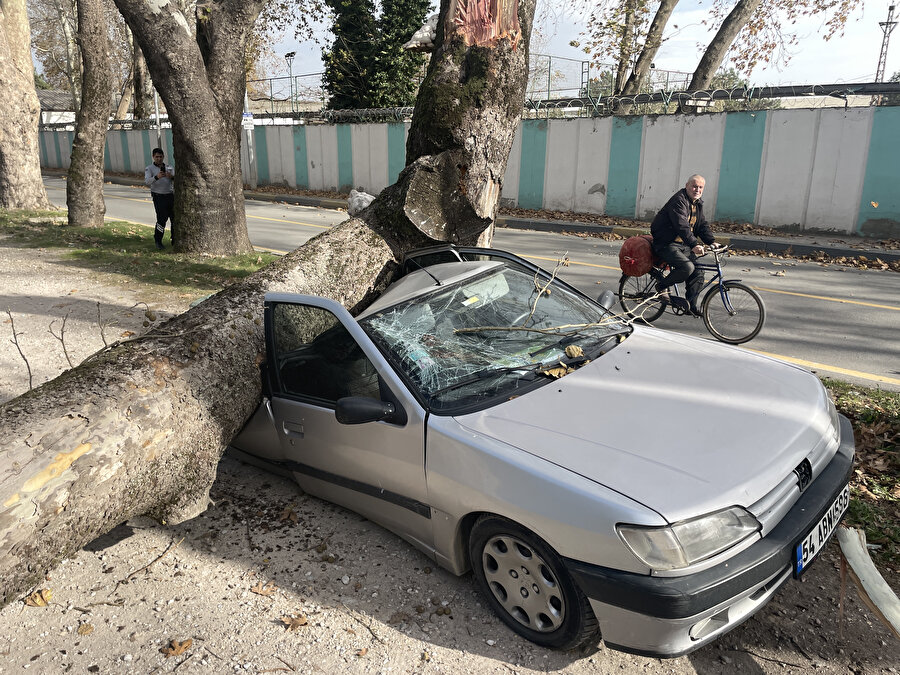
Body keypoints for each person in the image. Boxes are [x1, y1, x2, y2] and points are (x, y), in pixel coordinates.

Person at [650, 174, 716, 316]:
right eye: (694, 186)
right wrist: (693, 244)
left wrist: (712, 241)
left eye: (700, 187)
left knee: (698, 271)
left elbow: (702, 225)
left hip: (682, 245)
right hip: (666, 243)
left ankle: (691, 306)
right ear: (687, 186)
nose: (697, 189)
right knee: (687, 267)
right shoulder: (678, 201)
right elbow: (682, 226)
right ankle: (661, 286)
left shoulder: (697, 203)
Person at [144, 147, 175, 249]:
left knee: (174, 219)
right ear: (153, 157)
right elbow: (147, 181)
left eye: (161, 157)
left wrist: (171, 176)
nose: (159, 159)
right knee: (162, 220)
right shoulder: (149, 168)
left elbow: (176, 177)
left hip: (170, 195)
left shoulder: (169, 167)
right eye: (157, 157)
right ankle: (158, 240)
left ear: (163, 157)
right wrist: (157, 177)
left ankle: (174, 239)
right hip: (158, 196)